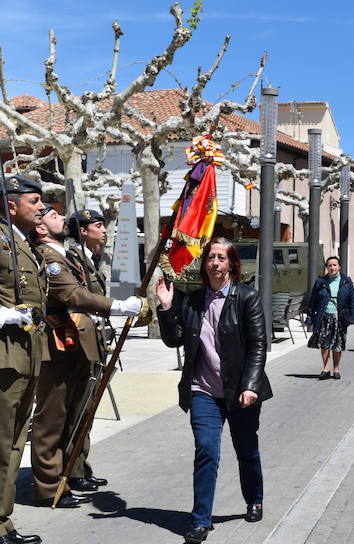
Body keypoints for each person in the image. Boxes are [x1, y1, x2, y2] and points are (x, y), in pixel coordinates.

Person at [156, 237, 273, 543]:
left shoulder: (246, 296)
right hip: (202, 389)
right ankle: (200, 521)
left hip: (240, 391)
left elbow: (259, 345)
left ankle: (255, 498)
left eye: (222, 258)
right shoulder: (192, 300)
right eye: (211, 257)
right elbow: (175, 339)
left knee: (246, 450)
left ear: (231, 265)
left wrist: (250, 386)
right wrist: (167, 307)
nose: (216, 263)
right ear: (204, 263)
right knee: (206, 451)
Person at [30, 208, 147, 508]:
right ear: (41, 229)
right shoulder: (48, 257)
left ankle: (71, 473)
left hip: (75, 345)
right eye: (52, 215)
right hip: (56, 346)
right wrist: (118, 307)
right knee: (52, 419)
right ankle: (48, 487)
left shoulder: (65, 255)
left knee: (76, 414)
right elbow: (73, 296)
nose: (61, 218)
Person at [0, 175, 46, 544]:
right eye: (34, 201)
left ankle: (2, 520)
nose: (41, 207)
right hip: (4, 355)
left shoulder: (21, 242)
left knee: (15, 443)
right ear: (11, 204)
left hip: (26, 354)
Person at [307, 257, 354, 380]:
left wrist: (352, 317)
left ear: (339, 267)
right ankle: (326, 368)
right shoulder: (321, 282)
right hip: (324, 315)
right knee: (324, 343)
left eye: (335, 265)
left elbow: (352, 301)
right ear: (327, 267)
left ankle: (336, 368)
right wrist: (309, 316)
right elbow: (312, 301)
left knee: (338, 344)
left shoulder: (346, 281)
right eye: (330, 265)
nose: (332, 268)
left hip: (340, 317)